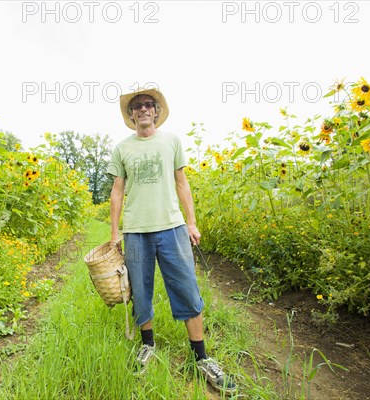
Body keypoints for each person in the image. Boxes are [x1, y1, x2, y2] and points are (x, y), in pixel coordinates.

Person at [107, 87, 237, 394]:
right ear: (131, 114)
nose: (142, 109)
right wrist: (115, 232)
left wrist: (191, 222)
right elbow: (116, 190)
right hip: (136, 230)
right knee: (140, 291)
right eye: (136, 106)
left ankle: (202, 357)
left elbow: (182, 182)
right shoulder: (122, 148)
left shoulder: (172, 141)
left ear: (155, 111)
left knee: (186, 288)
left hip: (172, 227)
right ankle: (147, 345)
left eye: (147, 105)